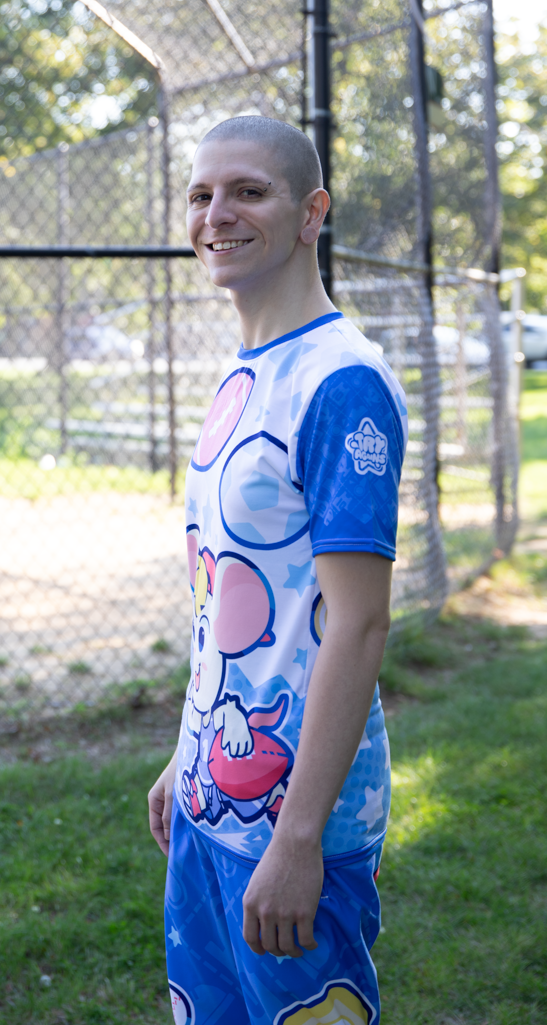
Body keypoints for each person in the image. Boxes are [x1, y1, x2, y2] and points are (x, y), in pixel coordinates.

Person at [147, 114, 407, 1025]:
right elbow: (225, 603)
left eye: (248, 191)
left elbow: (358, 624)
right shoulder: (244, 374)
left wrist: (297, 837)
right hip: (212, 793)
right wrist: (185, 756)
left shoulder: (340, 382)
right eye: (200, 195)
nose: (215, 213)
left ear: (310, 213)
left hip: (294, 822)